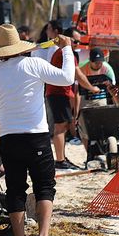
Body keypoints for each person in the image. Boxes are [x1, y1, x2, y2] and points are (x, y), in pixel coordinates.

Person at [0, 24, 75, 236]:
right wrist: (67, 49)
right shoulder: (33, 64)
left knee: (15, 189)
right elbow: (67, 78)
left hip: (8, 137)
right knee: (44, 186)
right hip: (36, 136)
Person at [75, 47, 115, 162]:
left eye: (100, 62)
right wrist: (76, 113)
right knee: (84, 128)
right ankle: (90, 153)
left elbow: (113, 90)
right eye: (96, 62)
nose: (98, 65)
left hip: (101, 99)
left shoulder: (107, 70)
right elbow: (78, 92)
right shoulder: (82, 69)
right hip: (86, 100)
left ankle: (106, 148)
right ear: (90, 61)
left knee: (104, 125)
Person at [45, 35, 79, 171]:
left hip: (57, 93)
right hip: (58, 93)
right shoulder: (65, 53)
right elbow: (79, 75)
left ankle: (61, 157)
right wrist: (92, 88)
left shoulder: (61, 53)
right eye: (75, 41)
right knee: (61, 127)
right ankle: (60, 160)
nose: (77, 44)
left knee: (63, 126)